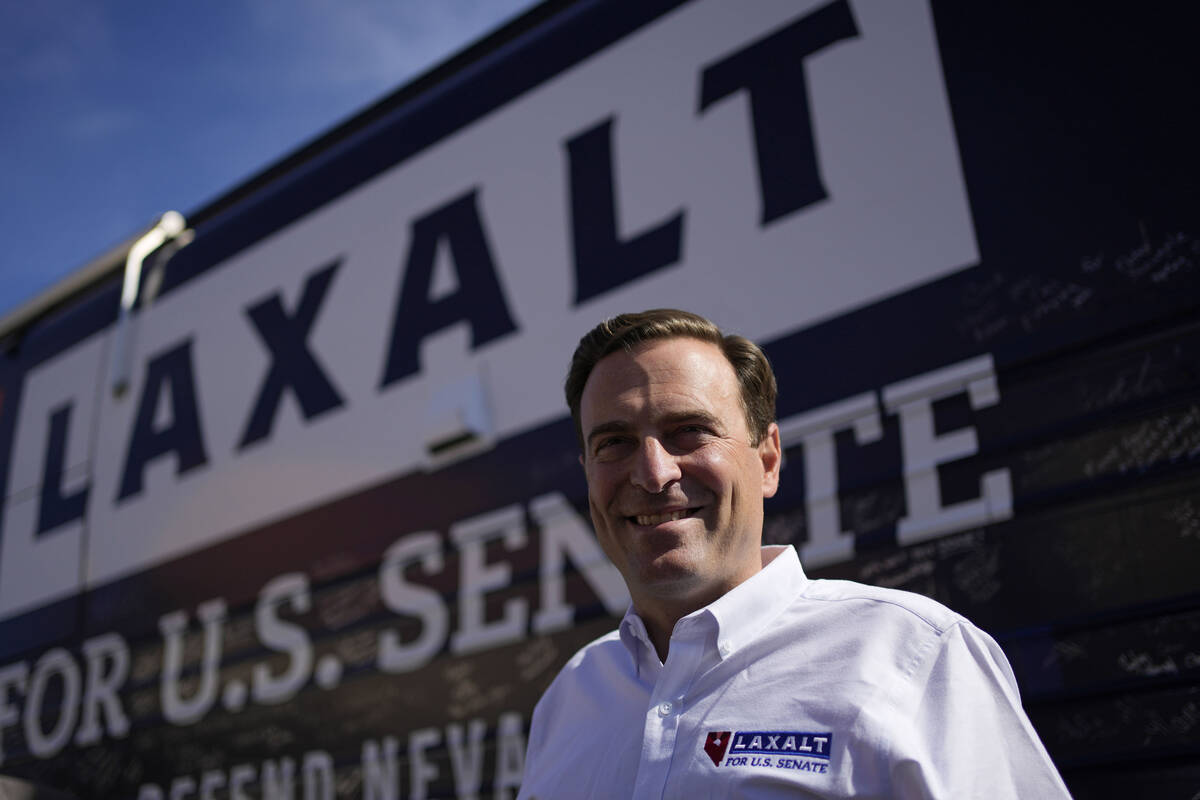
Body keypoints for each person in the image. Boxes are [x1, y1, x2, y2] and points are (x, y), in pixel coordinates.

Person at [517, 309, 1072, 799]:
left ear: (767, 460)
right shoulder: (571, 698)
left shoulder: (915, 655)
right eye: (613, 442)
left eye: (689, 431)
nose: (654, 473)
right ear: (588, 474)